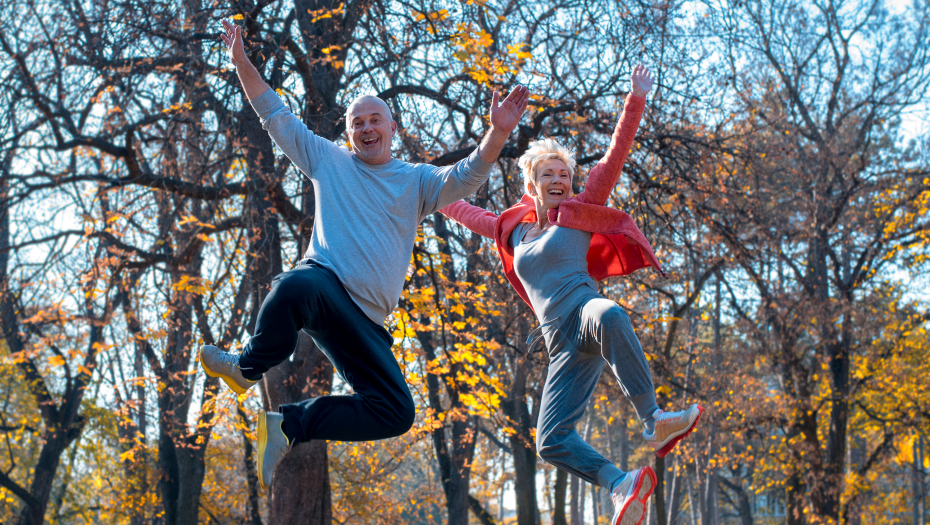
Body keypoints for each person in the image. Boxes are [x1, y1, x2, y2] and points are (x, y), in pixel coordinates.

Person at [201, 20, 530, 490]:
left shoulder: (416, 180)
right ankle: (246, 368)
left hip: (368, 323)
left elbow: (467, 176)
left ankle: (288, 426)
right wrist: (241, 62)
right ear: (349, 132)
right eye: (357, 121)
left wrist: (496, 135)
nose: (366, 127)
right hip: (324, 288)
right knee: (295, 284)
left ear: (392, 127)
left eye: (375, 119)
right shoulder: (327, 160)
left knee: (395, 412)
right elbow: (274, 114)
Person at [439, 65, 703, 525]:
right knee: (550, 439)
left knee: (611, 315)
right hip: (558, 341)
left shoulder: (581, 211)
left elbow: (614, 156)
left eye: (564, 173)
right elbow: (459, 207)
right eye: (549, 173)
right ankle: (621, 485)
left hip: (584, 312)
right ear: (532, 184)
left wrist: (636, 99)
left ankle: (653, 420)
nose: (559, 179)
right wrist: (420, 184)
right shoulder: (511, 228)